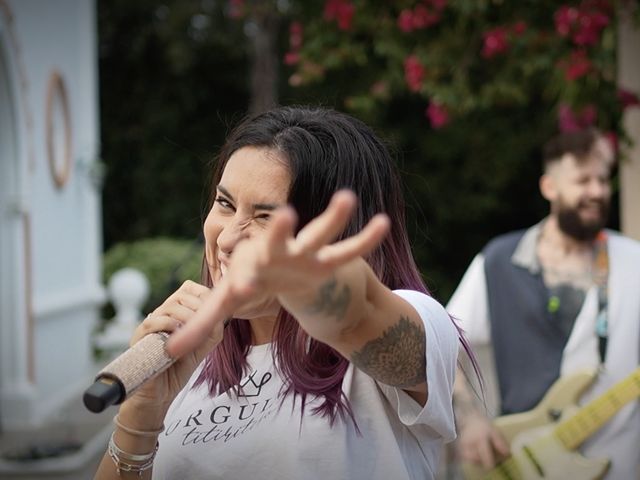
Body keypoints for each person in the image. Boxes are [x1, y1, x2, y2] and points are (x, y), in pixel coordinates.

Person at [95, 106, 471, 480]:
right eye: (225, 204)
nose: (226, 239)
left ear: (336, 233)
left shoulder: (408, 326)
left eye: (266, 218)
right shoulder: (187, 359)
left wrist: (334, 301)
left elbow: (365, 314)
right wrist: (140, 420)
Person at [448, 127, 640, 479]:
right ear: (549, 187)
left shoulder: (634, 261)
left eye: (602, 179)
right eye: (583, 180)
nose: (597, 191)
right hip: (523, 462)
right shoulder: (498, 260)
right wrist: (471, 418)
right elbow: (445, 343)